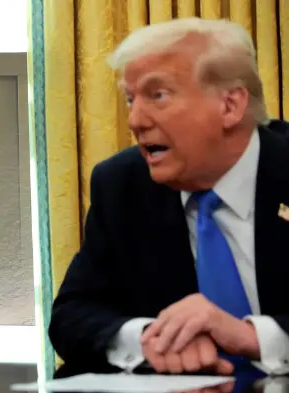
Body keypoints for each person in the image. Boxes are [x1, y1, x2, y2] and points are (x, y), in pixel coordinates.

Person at [48, 17, 289, 376]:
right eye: (130, 99)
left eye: (157, 95)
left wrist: (253, 336)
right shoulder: (121, 185)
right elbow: (72, 315)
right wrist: (148, 339)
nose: (134, 120)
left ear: (230, 105)